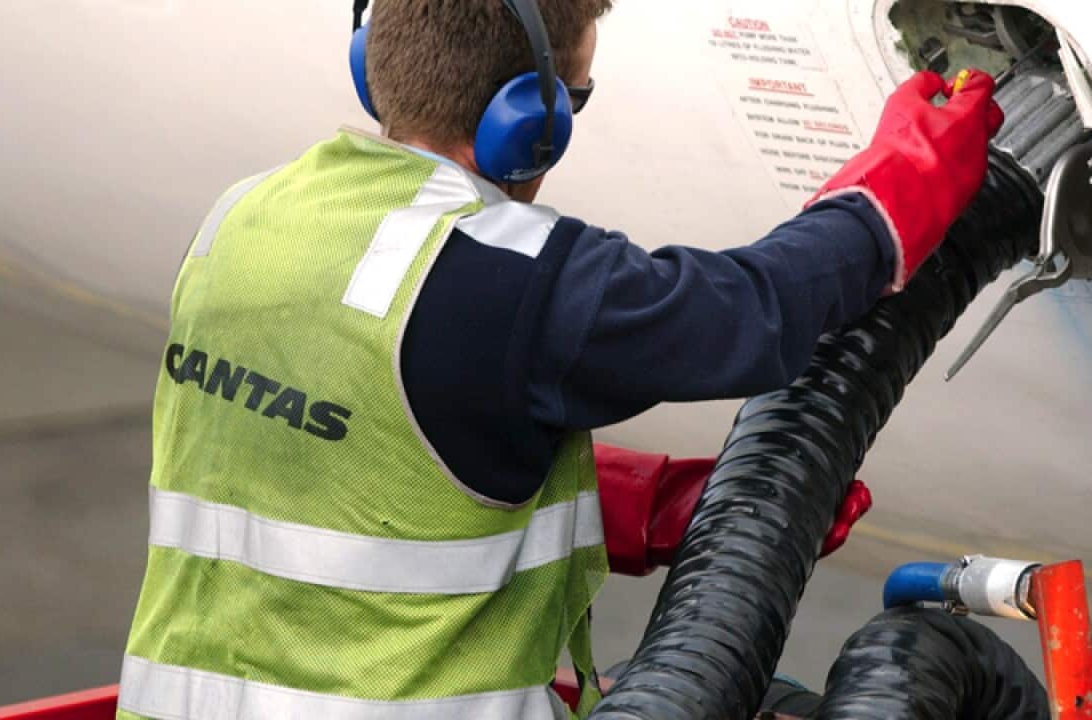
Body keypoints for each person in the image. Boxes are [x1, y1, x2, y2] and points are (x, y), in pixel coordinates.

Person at [116, 1, 1003, 718]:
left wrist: (639, 507)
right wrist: (905, 181)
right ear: (526, 123)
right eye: (569, 100)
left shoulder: (245, 217)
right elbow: (753, 313)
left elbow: (345, 429)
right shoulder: (509, 277)